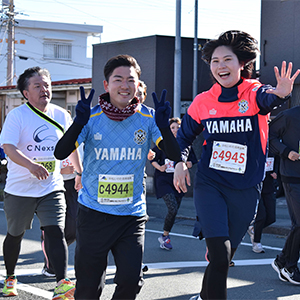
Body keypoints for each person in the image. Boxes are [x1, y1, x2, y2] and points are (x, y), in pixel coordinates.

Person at [167, 30, 299, 300]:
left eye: (227, 59)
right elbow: (183, 137)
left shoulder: (253, 93)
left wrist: (281, 94)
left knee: (224, 256)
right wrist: (180, 162)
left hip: (246, 187)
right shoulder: (203, 101)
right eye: (215, 61)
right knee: (218, 254)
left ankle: (204, 295)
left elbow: (268, 98)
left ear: (242, 64)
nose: (220, 66)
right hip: (210, 183)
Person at [54, 54, 179, 299]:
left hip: (131, 216)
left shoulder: (149, 117)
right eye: (118, 79)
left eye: (130, 80)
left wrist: (165, 127)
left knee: (131, 281)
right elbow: (60, 152)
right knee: (89, 287)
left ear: (138, 84)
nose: (124, 86)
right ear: (106, 85)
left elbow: (173, 154)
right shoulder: (90, 117)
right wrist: (78, 124)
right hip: (93, 214)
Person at [0, 66, 83, 299]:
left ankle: (62, 282)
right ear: (26, 93)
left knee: (56, 231)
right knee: (15, 234)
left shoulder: (61, 114)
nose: (44, 89)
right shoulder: (17, 115)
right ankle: (10, 277)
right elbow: (8, 148)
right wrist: (31, 166)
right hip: (20, 188)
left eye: (46, 85)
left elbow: (71, 145)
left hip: (51, 186)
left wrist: (79, 172)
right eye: (37, 86)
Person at [150, 117, 197, 250]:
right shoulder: (163, 143)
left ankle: (164, 236)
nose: (176, 130)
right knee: (173, 208)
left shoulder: (184, 145)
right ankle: (165, 237)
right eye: (173, 128)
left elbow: (192, 160)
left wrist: (189, 163)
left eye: (178, 128)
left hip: (178, 181)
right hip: (164, 180)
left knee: (174, 210)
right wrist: (159, 167)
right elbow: (153, 158)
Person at [269, 105, 300, 285]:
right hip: (292, 177)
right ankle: (288, 265)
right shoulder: (288, 115)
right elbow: (269, 137)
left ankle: (282, 261)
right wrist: (286, 152)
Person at [248, 150, 279, 253]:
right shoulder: (254, 145)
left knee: (271, 218)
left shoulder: (273, 147)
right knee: (261, 216)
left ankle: (253, 229)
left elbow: (276, 161)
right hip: (255, 185)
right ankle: (256, 242)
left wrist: (275, 172)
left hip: (269, 185)